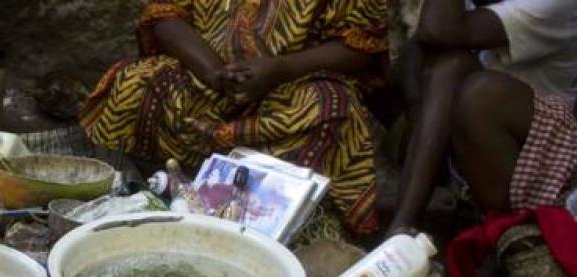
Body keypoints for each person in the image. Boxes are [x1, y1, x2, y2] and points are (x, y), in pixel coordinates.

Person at [79, 0, 390, 236]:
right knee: (137, 81)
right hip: (204, 76)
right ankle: (159, 184)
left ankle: (275, 211)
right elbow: (164, 14)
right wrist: (213, 72)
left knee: (332, 108)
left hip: (292, 84)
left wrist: (279, 69)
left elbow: (360, 45)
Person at [388, 0, 577, 233]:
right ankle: (401, 228)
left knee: (479, 94)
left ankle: (500, 231)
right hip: (471, 142)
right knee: (451, 65)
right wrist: (422, 123)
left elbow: (438, 29)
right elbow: (420, 42)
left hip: (543, 160)